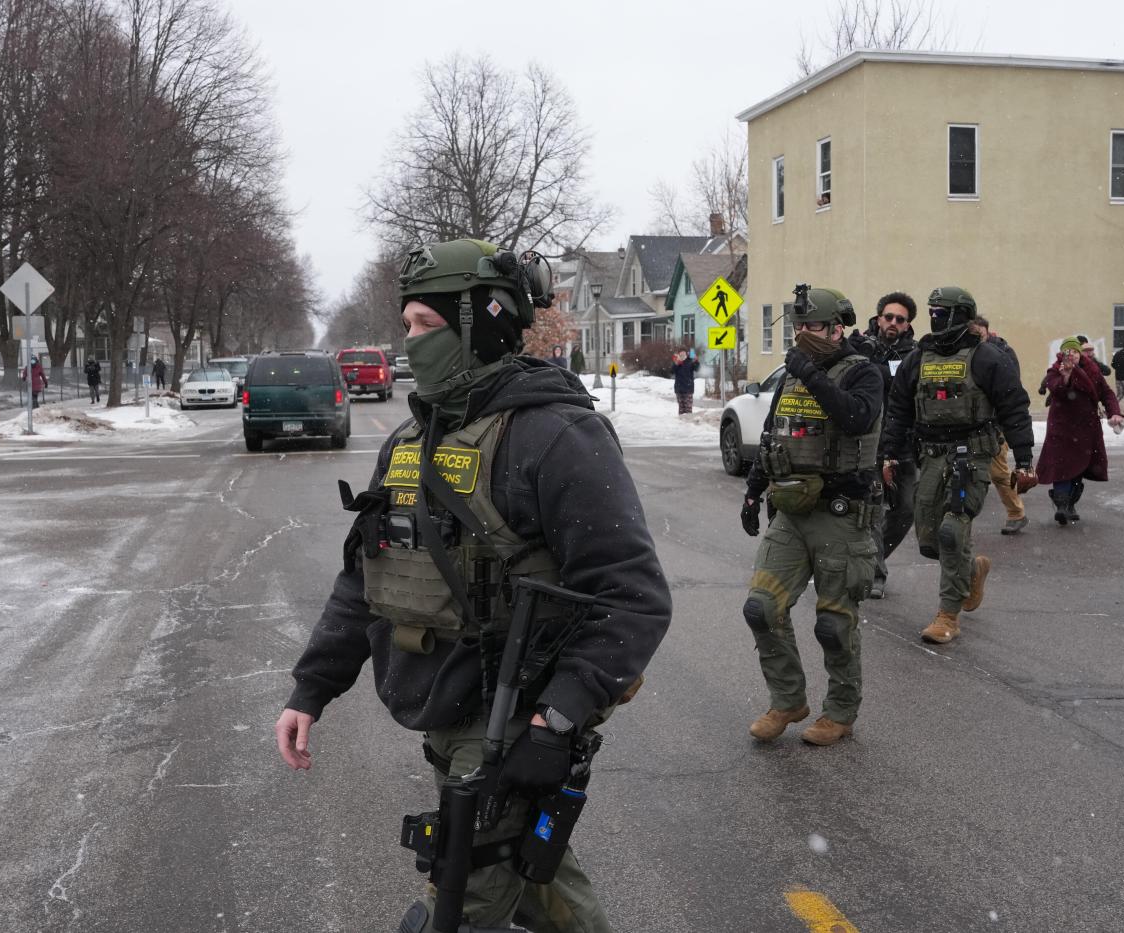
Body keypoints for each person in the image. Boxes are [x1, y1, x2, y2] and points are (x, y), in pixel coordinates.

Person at [274, 238, 670, 933]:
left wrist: (557, 719)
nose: (409, 340)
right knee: (534, 878)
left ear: (479, 323)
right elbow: (364, 576)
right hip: (447, 710)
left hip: (516, 714)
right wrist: (312, 688)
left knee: (460, 903)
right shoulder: (410, 441)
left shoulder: (556, 434)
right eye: (406, 324)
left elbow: (631, 595)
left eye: (425, 324)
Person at [738, 286, 883, 747]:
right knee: (762, 608)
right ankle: (787, 700)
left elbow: (856, 418)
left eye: (812, 326)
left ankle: (840, 712)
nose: (802, 333)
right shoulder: (792, 375)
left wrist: (811, 375)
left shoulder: (864, 372)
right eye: (797, 326)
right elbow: (772, 435)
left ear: (837, 329)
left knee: (834, 624)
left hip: (841, 514)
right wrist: (753, 491)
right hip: (790, 511)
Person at [880, 287, 1035, 645]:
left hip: (972, 456)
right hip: (930, 455)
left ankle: (947, 615)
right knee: (929, 538)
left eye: (940, 312)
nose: (934, 319)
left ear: (960, 315)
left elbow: (1014, 407)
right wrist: (890, 454)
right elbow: (899, 409)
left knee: (952, 530)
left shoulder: (987, 358)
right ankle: (971, 570)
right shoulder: (919, 358)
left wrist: (1024, 460)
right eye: (931, 313)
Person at [847, 291, 918, 598]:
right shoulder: (861, 348)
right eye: (888, 317)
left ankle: (873, 557)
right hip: (869, 444)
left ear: (908, 324)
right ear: (878, 319)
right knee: (873, 509)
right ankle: (875, 573)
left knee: (905, 510)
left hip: (902, 444)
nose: (893, 323)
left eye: (900, 319)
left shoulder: (915, 355)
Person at [1036, 337, 1124, 524]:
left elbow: (1106, 393)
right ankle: (1061, 506)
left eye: (1075, 351)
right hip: (1062, 427)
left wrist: (1115, 412)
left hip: (1086, 427)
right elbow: (1057, 389)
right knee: (1061, 466)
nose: (1072, 355)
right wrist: (1067, 376)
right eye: (1068, 352)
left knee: (1080, 466)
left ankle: (1070, 504)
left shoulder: (1093, 370)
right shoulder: (1055, 370)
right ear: (1062, 354)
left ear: (1080, 353)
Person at [969, 316, 1028, 535]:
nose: (977, 338)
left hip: (994, 425)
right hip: (970, 425)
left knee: (998, 472)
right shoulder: (967, 353)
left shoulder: (1002, 354)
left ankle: (1016, 513)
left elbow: (1010, 392)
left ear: (987, 332)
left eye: (980, 334)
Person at [670, 346, 698, 414]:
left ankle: (688, 421)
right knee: (681, 409)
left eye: (684, 353)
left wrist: (696, 361)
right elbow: (671, 371)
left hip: (688, 389)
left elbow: (697, 369)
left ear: (686, 354)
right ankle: (681, 420)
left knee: (688, 409)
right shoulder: (677, 361)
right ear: (679, 354)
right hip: (679, 389)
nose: (682, 355)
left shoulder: (690, 361)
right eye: (681, 354)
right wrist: (676, 364)